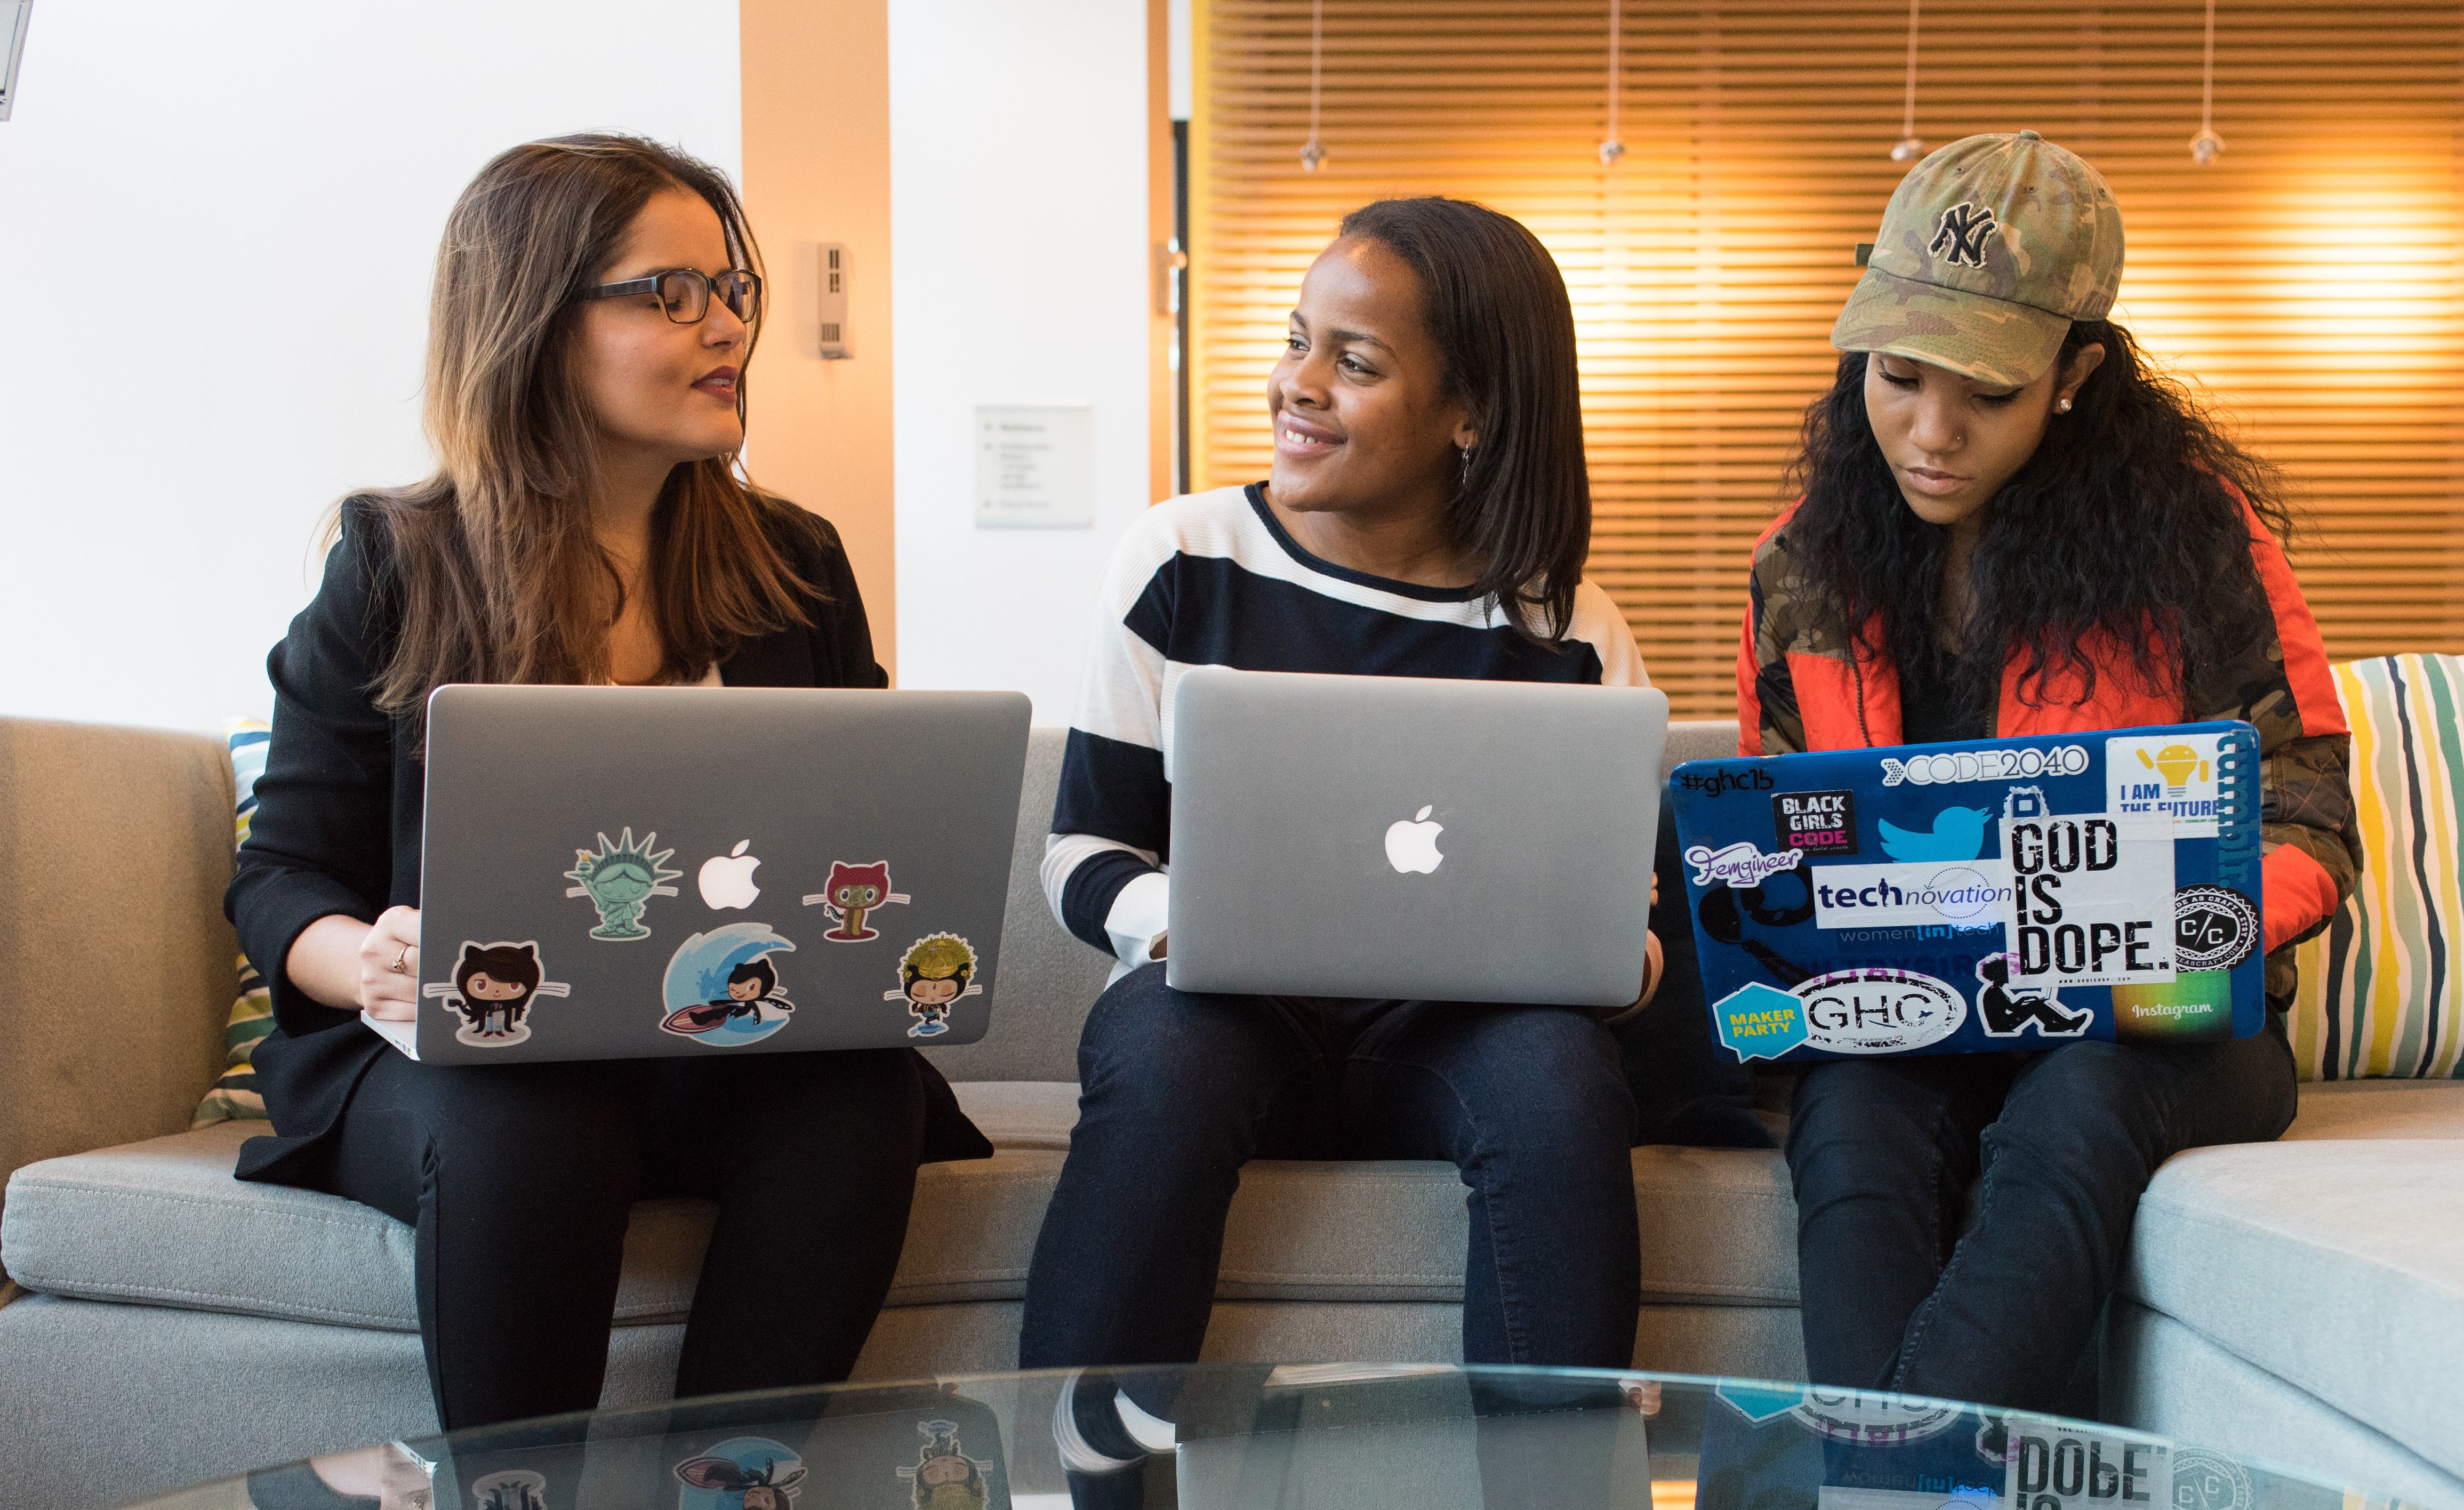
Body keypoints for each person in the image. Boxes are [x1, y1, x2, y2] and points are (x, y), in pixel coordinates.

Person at [229, 135, 981, 1434]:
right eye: (671, 292)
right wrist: (365, 961)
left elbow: (873, 826)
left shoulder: (793, 562)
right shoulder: (396, 562)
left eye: (732, 288)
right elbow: (280, 869)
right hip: (463, 1063)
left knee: (863, 1094)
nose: (728, 324)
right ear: (533, 321)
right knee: (535, 1116)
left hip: (725, 1043)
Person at [1739, 133, 2362, 1409]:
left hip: (2163, 1012)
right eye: (1897, 377)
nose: (1928, 431)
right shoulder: (1801, 563)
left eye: (1983, 393)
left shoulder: (2192, 541)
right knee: (1848, 1125)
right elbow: (1779, 824)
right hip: (1912, 1010)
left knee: (2072, 1110)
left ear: (2073, 373)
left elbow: (2309, 821)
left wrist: (2163, 927)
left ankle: (1874, 1508)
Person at [1020, 197, 1662, 1385]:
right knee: (1162, 1065)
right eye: (1295, 338)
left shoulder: (1566, 630)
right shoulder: (1184, 557)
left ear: (1468, 411)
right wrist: (1188, 928)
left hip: (1452, 1034)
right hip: (1219, 1011)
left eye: (1353, 362)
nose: (1295, 383)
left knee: (1558, 1081)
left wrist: (1617, 961)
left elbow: (1627, 920)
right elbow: (1080, 852)